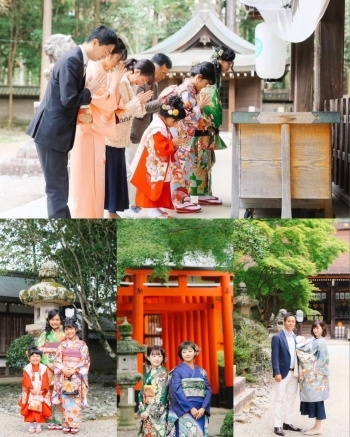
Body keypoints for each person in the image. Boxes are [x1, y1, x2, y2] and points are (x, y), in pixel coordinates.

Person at [26, 25, 119, 218]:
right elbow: (68, 99)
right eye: (106, 51)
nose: (105, 55)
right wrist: (89, 92)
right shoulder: (72, 60)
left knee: (59, 187)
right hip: (51, 132)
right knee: (57, 189)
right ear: (95, 42)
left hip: (55, 132)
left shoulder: (77, 59)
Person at [68, 38, 128, 218]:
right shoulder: (96, 69)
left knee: (95, 176)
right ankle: (87, 215)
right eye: (116, 59)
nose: (117, 65)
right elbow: (106, 104)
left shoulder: (103, 70)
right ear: (108, 53)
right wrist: (115, 83)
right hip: (88, 130)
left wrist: (114, 82)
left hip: (95, 130)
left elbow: (116, 104)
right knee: (87, 177)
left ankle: (93, 214)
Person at [158, 62, 215, 213]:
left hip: (184, 136)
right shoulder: (186, 91)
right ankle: (179, 200)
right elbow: (184, 117)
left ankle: (182, 198)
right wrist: (199, 108)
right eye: (205, 82)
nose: (205, 86)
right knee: (180, 166)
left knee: (185, 166)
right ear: (199, 77)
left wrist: (201, 118)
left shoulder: (189, 90)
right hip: (180, 134)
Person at [104, 58, 154, 218]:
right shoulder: (120, 82)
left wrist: (139, 103)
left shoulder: (127, 84)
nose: (142, 83)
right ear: (137, 72)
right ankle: (110, 212)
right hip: (113, 136)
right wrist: (137, 103)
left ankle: (113, 211)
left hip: (121, 138)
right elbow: (116, 112)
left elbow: (134, 110)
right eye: (143, 79)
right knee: (114, 176)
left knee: (117, 175)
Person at [125, 53, 173, 217]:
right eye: (163, 72)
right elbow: (139, 108)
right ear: (156, 66)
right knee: (130, 171)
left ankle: (136, 204)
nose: (163, 76)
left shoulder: (156, 86)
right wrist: (162, 102)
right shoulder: (141, 82)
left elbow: (150, 108)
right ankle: (129, 204)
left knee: (139, 171)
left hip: (144, 134)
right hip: (132, 132)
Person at [190, 45, 236, 206]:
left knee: (206, 160)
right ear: (220, 60)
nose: (230, 65)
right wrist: (212, 121)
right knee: (199, 160)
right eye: (228, 62)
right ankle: (196, 195)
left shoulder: (213, 77)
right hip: (201, 124)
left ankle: (204, 193)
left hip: (207, 126)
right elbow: (210, 103)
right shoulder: (209, 78)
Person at [130, 96, 187, 218]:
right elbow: (160, 148)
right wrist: (173, 143)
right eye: (177, 121)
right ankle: (152, 210)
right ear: (171, 119)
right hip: (153, 163)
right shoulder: (158, 128)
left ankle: (157, 208)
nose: (177, 124)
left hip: (156, 162)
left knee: (159, 184)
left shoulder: (160, 123)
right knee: (154, 184)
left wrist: (173, 143)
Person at [52, 318, 90, 435]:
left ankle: (74, 424)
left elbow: (85, 360)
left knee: (75, 398)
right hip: (64, 374)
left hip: (76, 375)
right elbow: (57, 360)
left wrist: (74, 369)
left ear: (76, 329)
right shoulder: (62, 345)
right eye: (66, 329)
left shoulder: (82, 345)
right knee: (65, 398)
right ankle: (67, 424)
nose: (69, 331)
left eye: (71, 329)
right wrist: (63, 369)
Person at [167, 341, 211, 437]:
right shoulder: (177, 371)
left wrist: (203, 408)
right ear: (180, 354)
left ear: (195, 352)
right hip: (184, 409)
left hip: (200, 410)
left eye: (190, 351)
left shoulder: (202, 371)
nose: (187, 354)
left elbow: (208, 390)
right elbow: (176, 391)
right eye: (184, 352)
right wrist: (190, 408)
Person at [296, 320, 329, 436]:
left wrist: (299, 344)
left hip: (317, 377)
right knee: (316, 400)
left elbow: (304, 350)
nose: (315, 330)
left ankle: (318, 427)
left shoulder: (320, 342)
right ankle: (316, 426)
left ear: (323, 329)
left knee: (318, 400)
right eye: (314, 328)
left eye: (318, 328)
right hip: (314, 376)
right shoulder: (315, 340)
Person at [271, 313, 302, 436]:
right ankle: (277, 425)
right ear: (284, 322)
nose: (291, 323)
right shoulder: (277, 337)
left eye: (293, 321)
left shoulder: (296, 338)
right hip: (283, 373)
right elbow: (275, 356)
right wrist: (276, 372)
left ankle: (287, 423)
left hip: (294, 373)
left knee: (291, 399)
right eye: (289, 321)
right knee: (279, 399)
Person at [36, 309, 65, 430]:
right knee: (47, 392)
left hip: (60, 366)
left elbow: (66, 350)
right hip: (47, 365)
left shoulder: (65, 334)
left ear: (61, 320)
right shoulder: (45, 335)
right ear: (49, 321)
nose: (55, 322)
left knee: (59, 392)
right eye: (52, 319)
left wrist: (58, 362)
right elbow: (39, 349)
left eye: (57, 319)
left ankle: (59, 419)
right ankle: (48, 418)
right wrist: (48, 362)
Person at [19, 345, 52, 434]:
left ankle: (38, 424)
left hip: (41, 391)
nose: (35, 358)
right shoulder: (27, 368)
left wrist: (43, 389)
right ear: (29, 358)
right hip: (30, 391)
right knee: (31, 407)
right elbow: (26, 379)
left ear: (41, 358)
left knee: (40, 406)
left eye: (37, 356)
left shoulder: (44, 368)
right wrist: (30, 389)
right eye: (33, 356)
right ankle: (31, 425)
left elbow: (45, 379)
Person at [138, 345, 168, 437]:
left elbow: (162, 395)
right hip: (146, 410)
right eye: (154, 356)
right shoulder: (147, 374)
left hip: (157, 411)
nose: (157, 358)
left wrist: (149, 411)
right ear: (148, 357)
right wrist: (143, 410)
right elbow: (141, 394)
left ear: (163, 358)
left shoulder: (163, 373)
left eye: (159, 356)